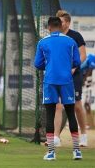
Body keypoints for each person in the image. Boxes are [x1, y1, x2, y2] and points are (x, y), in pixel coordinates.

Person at [34, 16, 82, 160]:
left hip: (50, 81)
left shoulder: (43, 42)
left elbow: (37, 64)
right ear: (61, 26)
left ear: (49, 27)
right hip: (67, 81)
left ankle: (51, 153)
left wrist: (49, 66)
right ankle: (76, 151)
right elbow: (77, 62)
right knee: (71, 114)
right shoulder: (71, 41)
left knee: (50, 115)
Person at [54, 10, 87, 147]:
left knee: (77, 106)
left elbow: (83, 55)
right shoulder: (55, 37)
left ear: (67, 23)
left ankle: (83, 135)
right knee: (58, 106)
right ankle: (55, 137)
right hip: (58, 76)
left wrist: (73, 68)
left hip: (74, 76)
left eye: (61, 21)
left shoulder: (76, 36)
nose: (59, 24)